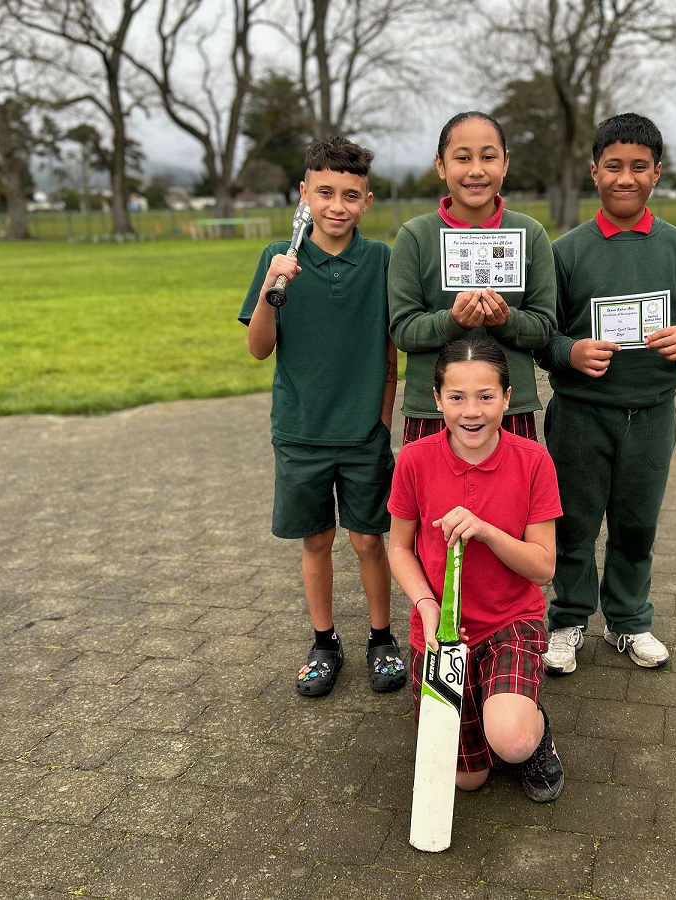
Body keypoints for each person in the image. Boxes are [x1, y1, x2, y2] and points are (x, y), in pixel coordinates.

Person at [537, 113, 676, 674]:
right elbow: (541, 333)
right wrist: (570, 351)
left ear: (657, 173)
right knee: (572, 523)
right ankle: (569, 619)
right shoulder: (566, 251)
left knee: (637, 523)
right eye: (613, 166)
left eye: (638, 167)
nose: (626, 177)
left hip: (650, 414)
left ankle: (628, 621)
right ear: (594, 172)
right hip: (579, 414)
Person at [238, 136, 403, 698]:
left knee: (368, 541)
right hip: (300, 433)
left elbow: (389, 352)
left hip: (362, 435)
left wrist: (381, 422)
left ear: (367, 200)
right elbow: (259, 348)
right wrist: (270, 288)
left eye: (350, 195)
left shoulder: (381, 259)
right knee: (316, 541)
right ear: (304, 194)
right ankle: (324, 641)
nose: (337, 205)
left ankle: (382, 639)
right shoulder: (277, 261)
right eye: (325, 193)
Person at [388, 339, 565, 801]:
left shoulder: (533, 460)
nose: (472, 411)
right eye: (457, 397)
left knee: (511, 741)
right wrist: (427, 607)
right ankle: (496, 705)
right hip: (440, 632)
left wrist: (487, 532)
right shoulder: (414, 459)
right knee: (469, 779)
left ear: (508, 398)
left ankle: (533, 730)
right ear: (436, 398)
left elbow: (543, 567)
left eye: (486, 396)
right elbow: (399, 548)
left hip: (509, 622)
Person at [389, 111, 556, 445]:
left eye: (489, 157)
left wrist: (506, 321)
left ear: (505, 163)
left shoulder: (530, 233)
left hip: (509, 409)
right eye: (462, 158)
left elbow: (544, 327)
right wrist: (451, 321)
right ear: (441, 165)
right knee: (432, 499)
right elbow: (402, 329)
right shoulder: (416, 236)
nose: (476, 170)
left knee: (510, 498)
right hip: (433, 411)